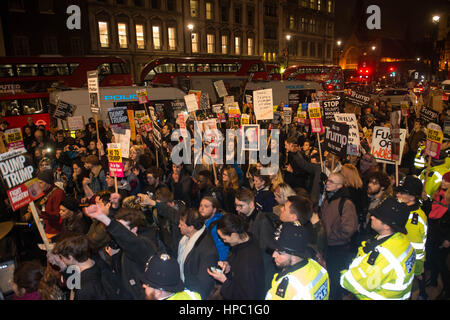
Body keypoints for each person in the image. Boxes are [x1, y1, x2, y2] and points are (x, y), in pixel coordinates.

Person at [340, 197, 416, 300]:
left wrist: (342, 273)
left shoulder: (384, 258)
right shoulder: (401, 240)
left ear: (387, 226)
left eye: (377, 216)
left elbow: (351, 283)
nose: (372, 217)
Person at [84, 206, 158, 299]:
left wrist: (105, 219)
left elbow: (130, 242)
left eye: (121, 228)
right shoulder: (121, 249)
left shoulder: (145, 246)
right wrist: (114, 258)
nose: (117, 233)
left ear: (134, 229)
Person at [207, 213, 266, 300]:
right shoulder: (248, 237)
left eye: (224, 238)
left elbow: (245, 296)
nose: (223, 241)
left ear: (234, 235)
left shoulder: (248, 262)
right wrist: (228, 265)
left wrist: (224, 280)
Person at [319, 172, 358, 300]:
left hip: (338, 249)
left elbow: (348, 229)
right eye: (327, 181)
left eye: (331, 182)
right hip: (327, 246)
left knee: (335, 281)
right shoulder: (327, 199)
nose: (327, 183)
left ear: (340, 186)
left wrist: (330, 236)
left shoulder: (346, 203)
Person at [266, 222, 329, 300]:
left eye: (280, 253)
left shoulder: (289, 288)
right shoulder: (316, 266)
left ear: (295, 255)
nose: (273, 255)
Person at [234, 188, 279, 292]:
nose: (237, 209)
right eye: (236, 205)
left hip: (262, 272)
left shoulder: (262, 221)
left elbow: (266, 251)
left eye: (240, 206)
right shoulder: (244, 218)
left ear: (251, 204)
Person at [395, 175, 428, 299]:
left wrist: (418, 270)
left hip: (404, 264)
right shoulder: (405, 210)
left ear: (412, 197)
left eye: (402, 192)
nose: (398, 194)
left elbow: (417, 249)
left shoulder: (414, 219)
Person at [177, 207, 219, 299]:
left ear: (191, 228)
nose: (178, 226)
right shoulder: (186, 239)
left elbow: (204, 284)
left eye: (181, 224)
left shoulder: (207, 250)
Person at [49, 235, 107, 300]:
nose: (61, 260)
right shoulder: (95, 260)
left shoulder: (84, 288)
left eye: (61, 257)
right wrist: (63, 267)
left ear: (70, 257)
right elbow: (75, 282)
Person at [32, 169, 66, 239]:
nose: (39, 185)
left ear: (49, 183)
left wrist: (40, 213)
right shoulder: (44, 192)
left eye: (41, 183)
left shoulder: (58, 193)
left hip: (56, 232)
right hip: (48, 229)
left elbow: (58, 216)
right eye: (38, 183)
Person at [198, 196, 230, 262]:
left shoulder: (218, 225)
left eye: (206, 206)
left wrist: (218, 265)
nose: (202, 208)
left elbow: (222, 249)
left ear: (214, 210)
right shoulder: (203, 222)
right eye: (201, 205)